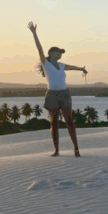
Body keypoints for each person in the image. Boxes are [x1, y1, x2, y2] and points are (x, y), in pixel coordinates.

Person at [28, 22, 87, 157]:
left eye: (61, 52)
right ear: (51, 53)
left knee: (69, 121)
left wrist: (81, 69)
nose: (60, 54)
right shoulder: (45, 63)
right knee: (54, 123)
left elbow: (71, 67)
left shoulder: (61, 65)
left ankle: (76, 148)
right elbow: (39, 49)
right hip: (52, 95)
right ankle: (57, 150)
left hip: (65, 94)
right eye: (58, 52)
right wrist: (34, 33)